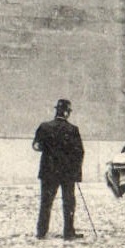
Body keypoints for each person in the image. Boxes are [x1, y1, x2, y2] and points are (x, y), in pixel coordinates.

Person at [31, 98, 85, 240]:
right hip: (67, 173)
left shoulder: (44, 127)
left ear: (57, 111)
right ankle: (68, 232)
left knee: (46, 202)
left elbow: (36, 146)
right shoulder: (73, 130)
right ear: (67, 113)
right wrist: (76, 173)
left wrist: (48, 149)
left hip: (48, 171)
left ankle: (41, 232)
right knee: (68, 202)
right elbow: (79, 152)